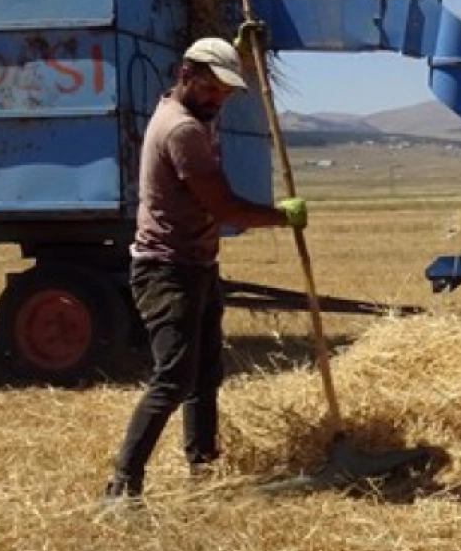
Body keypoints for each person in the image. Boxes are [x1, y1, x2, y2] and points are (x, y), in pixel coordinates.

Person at [101, 36, 307, 504]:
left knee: (204, 375)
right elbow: (224, 207)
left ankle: (203, 467)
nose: (219, 98)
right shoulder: (183, 131)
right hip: (167, 270)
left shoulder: (186, 110)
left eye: (227, 90)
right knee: (173, 379)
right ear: (185, 76)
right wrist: (281, 215)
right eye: (211, 87)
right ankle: (121, 485)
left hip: (196, 266)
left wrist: (238, 47)